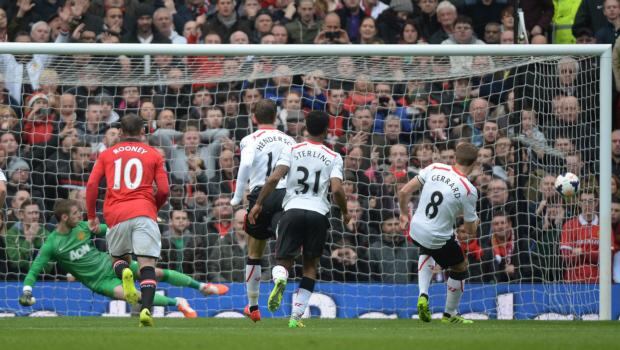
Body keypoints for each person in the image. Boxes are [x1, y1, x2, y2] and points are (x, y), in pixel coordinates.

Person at [18, 199, 228, 317]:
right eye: (75, 213)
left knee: (156, 272)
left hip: (111, 263)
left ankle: (203, 287)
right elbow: (35, 269)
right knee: (134, 296)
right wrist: (27, 291)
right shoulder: (52, 244)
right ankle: (179, 303)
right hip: (99, 281)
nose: (80, 216)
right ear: (64, 217)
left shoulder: (83, 227)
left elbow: (109, 229)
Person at [248, 110, 349, 328]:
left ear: (305, 127)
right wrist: (346, 211)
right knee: (310, 266)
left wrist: (258, 203)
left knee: (283, 261)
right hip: (318, 213)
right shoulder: (334, 156)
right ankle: (296, 316)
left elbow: (275, 177)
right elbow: (338, 190)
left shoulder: (292, 149)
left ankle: (280, 278)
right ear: (326, 130)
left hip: (292, 210)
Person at [85, 114, 170, 327]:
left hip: (116, 213)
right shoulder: (154, 154)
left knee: (118, 259)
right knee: (147, 265)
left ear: (121, 132)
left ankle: (124, 272)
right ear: (143, 132)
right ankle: (146, 311)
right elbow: (165, 190)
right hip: (144, 211)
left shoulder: (107, 154)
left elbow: (92, 185)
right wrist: (152, 207)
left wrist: (91, 216)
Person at [230, 99, 296, 322]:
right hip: (285, 194)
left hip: (261, 195)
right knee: (282, 244)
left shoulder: (250, 139)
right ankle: (280, 274)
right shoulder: (289, 140)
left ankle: (253, 306)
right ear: (276, 117)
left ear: (254, 118)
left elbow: (246, 164)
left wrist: (237, 196)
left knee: (254, 253)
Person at [398, 142, 479, 324]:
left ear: (455, 158)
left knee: (427, 248)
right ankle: (449, 315)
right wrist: (477, 220)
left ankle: (423, 295)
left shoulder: (435, 167)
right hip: (436, 236)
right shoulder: (469, 189)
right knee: (460, 266)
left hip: (416, 228)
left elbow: (404, 191)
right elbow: (469, 230)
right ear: (474, 163)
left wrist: (404, 214)